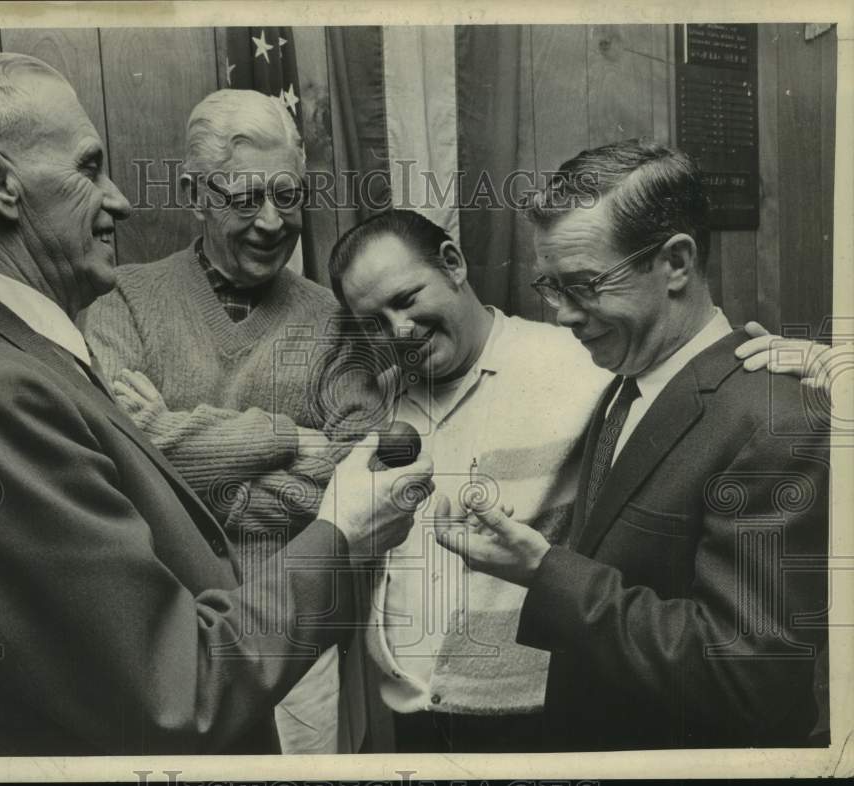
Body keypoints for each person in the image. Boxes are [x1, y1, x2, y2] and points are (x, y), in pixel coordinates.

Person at [0, 53, 433, 757]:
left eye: (287, 195)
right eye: (89, 168)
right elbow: (181, 686)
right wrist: (331, 510)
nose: (120, 200)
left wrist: (195, 452)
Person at [435, 139, 829, 750]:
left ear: (675, 262)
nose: (563, 315)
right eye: (550, 287)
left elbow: (746, 682)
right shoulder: (627, 383)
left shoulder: (774, 421)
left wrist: (544, 571)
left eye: (586, 285)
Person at [82, 88, 387, 754]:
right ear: (196, 195)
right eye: (245, 199)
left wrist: (188, 466)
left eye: (287, 195)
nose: (273, 222)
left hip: (300, 639)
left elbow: (361, 476)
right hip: (170, 639)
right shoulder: (123, 300)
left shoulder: (333, 318)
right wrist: (281, 438)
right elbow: (121, 460)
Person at [327, 209, 612, 752]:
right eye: (375, 321)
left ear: (453, 264)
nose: (400, 331)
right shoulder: (378, 398)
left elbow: (687, 388)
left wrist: (802, 363)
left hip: (537, 722)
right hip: (410, 718)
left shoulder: (575, 364)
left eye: (407, 300)